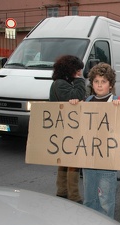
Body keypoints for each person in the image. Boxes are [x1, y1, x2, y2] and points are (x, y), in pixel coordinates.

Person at [69, 63, 120, 218]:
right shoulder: (87, 102)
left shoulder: (116, 102)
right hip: (89, 160)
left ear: (110, 84)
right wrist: (73, 105)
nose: (99, 85)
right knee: (90, 197)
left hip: (108, 161)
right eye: (96, 82)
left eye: (103, 82)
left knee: (106, 199)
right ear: (91, 84)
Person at [49, 55, 86, 203]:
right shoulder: (61, 84)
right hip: (67, 129)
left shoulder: (61, 82)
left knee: (64, 161)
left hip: (65, 128)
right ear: (71, 70)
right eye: (78, 70)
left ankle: (62, 191)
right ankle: (74, 195)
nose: (80, 73)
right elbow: (78, 95)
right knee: (73, 163)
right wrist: (79, 80)